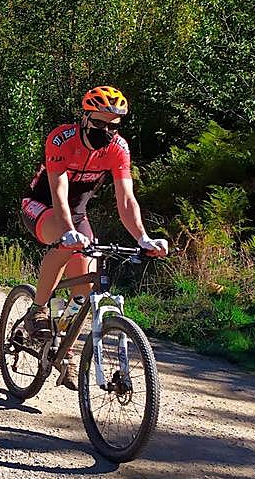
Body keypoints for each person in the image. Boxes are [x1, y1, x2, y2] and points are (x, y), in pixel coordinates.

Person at [19, 85, 169, 390]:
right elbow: (59, 192)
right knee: (65, 242)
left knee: (85, 289)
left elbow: (126, 200)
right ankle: (37, 310)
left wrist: (143, 238)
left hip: (76, 215)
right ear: (84, 117)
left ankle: (67, 352)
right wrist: (68, 232)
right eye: (99, 123)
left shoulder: (118, 149)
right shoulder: (62, 139)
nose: (107, 131)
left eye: (114, 126)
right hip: (42, 206)